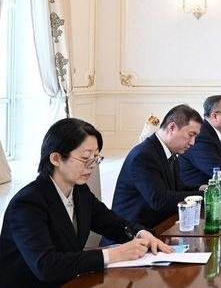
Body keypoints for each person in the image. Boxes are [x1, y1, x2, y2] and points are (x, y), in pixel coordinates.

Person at [0, 118, 171, 286]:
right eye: (85, 157)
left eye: (96, 157)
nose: (92, 165)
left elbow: (112, 223)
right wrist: (114, 254)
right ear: (56, 159)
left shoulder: (79, 191)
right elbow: (46, 266)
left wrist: (141, 233)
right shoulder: (27, 204)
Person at [112, 104, 205, 229]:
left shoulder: (169, 152)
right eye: (190, 135)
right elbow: (160, 201)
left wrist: (202, 188)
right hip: (133, 233)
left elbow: (178, 189)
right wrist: (204, 197)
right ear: (172, 127)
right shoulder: (144, 155)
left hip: (156, 226)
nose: (193, 142)